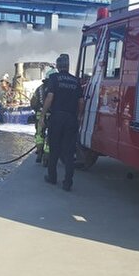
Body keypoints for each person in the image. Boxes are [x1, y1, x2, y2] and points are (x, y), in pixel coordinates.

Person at [40, 54, 84, 191]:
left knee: (54, 149)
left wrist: (42, 116)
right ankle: (67, 183)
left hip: (57, 118)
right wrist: (78, 116)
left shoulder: (54, 78)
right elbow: (81, 102)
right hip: (71, 118)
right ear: (68, 66)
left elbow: (50, 97)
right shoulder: (76, 81)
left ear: (58, 66)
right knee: (69, 152)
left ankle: (52, 177)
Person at [31, 67, 56, 164]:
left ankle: (39, 152)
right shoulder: (55, 88)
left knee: (39, 134)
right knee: (50, 136)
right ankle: (46, 157)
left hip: (39, 115)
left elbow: (33, 102)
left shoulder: (39, 89)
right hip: (51, 115)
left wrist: (37, 109)